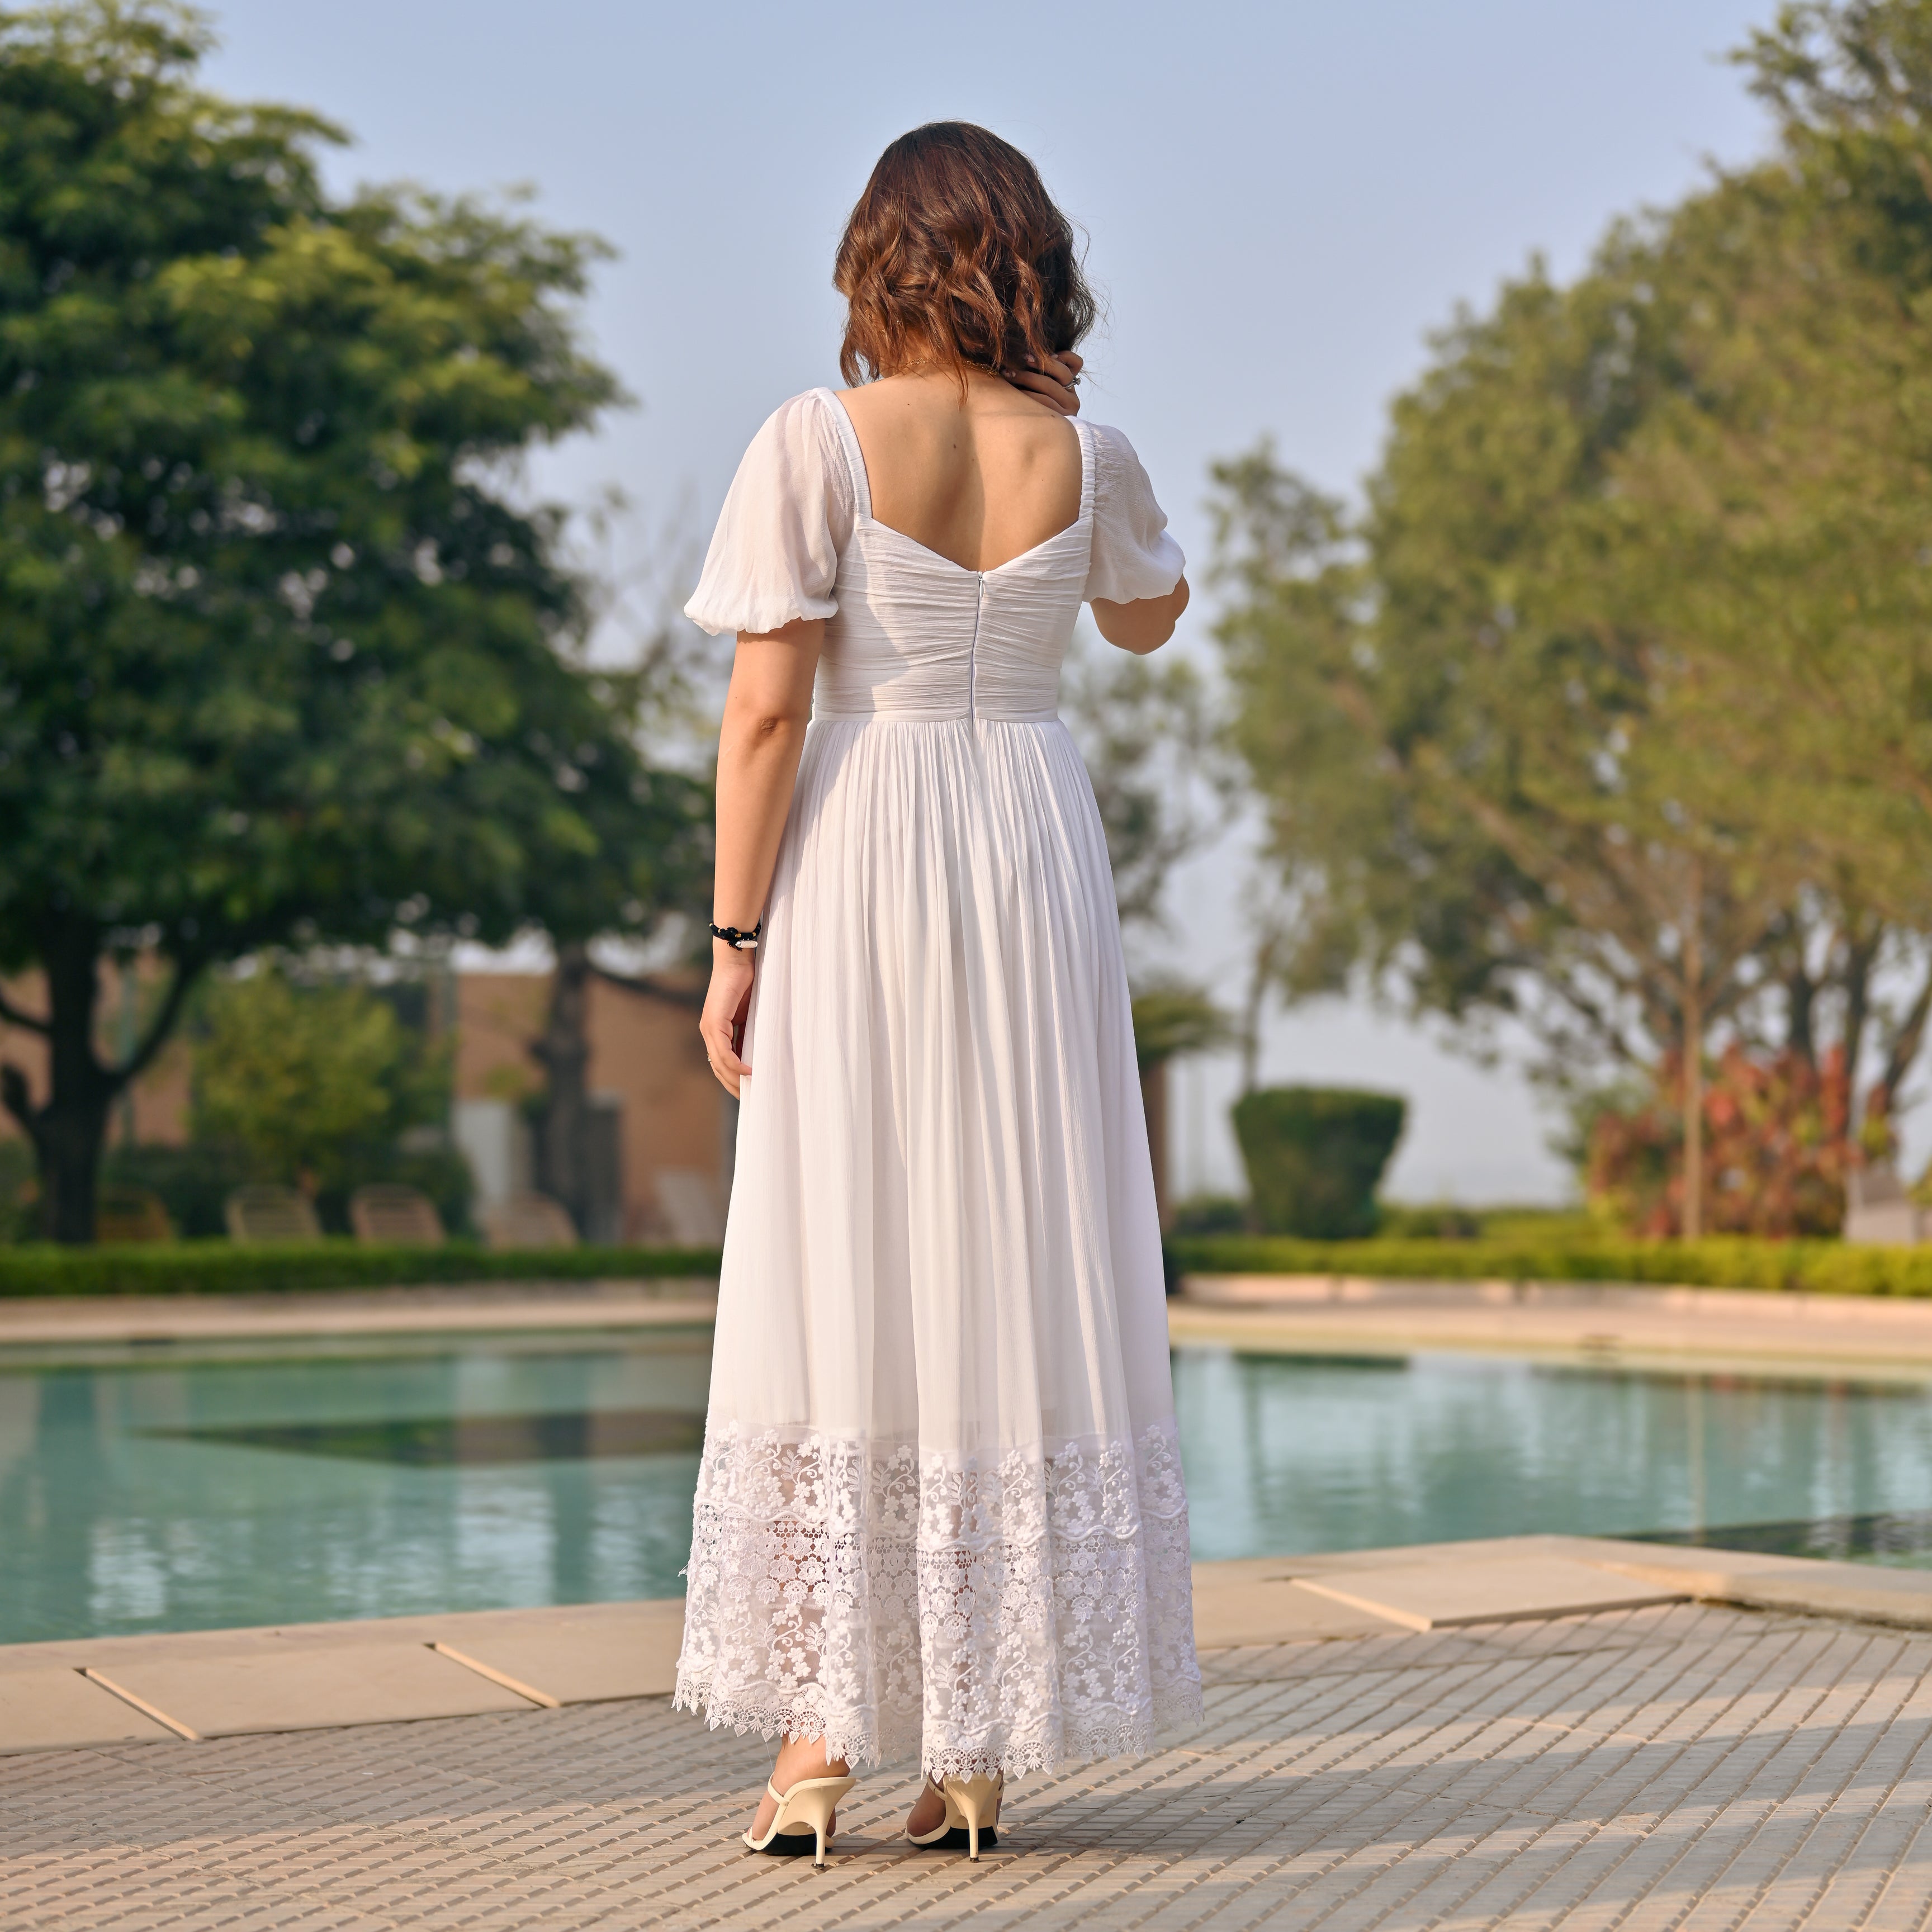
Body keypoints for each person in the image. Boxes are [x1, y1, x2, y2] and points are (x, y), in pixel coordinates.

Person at [674, 120, 1202, 1868]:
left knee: (848, 1253)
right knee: (1007, 1252)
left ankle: (818, 1754)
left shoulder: (815, 441)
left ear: (876, 261)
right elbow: (1148, 620)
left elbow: (766, 714)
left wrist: (734, 944)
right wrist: (1056, 407)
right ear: (1026, 261)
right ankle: (975, 1753)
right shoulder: (1086, 447)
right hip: (1029, 849)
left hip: (873, 839)